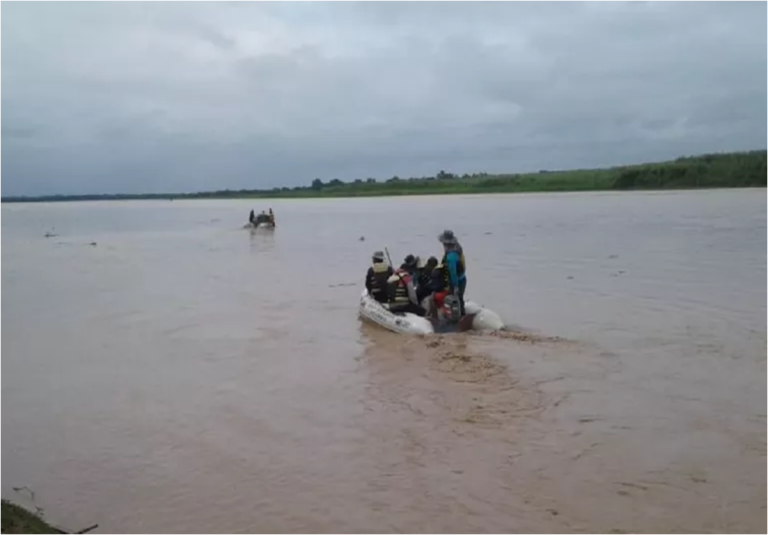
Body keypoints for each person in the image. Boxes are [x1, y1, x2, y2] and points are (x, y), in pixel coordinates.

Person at [438, 229, 467, 316]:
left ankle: (459, 316)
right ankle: (460, 314)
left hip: (458, 281)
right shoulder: (457, 249)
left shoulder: (451, 256)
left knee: (456, 298)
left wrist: (455, 286)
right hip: (461, 278)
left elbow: (453, 272)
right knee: (459, 298)